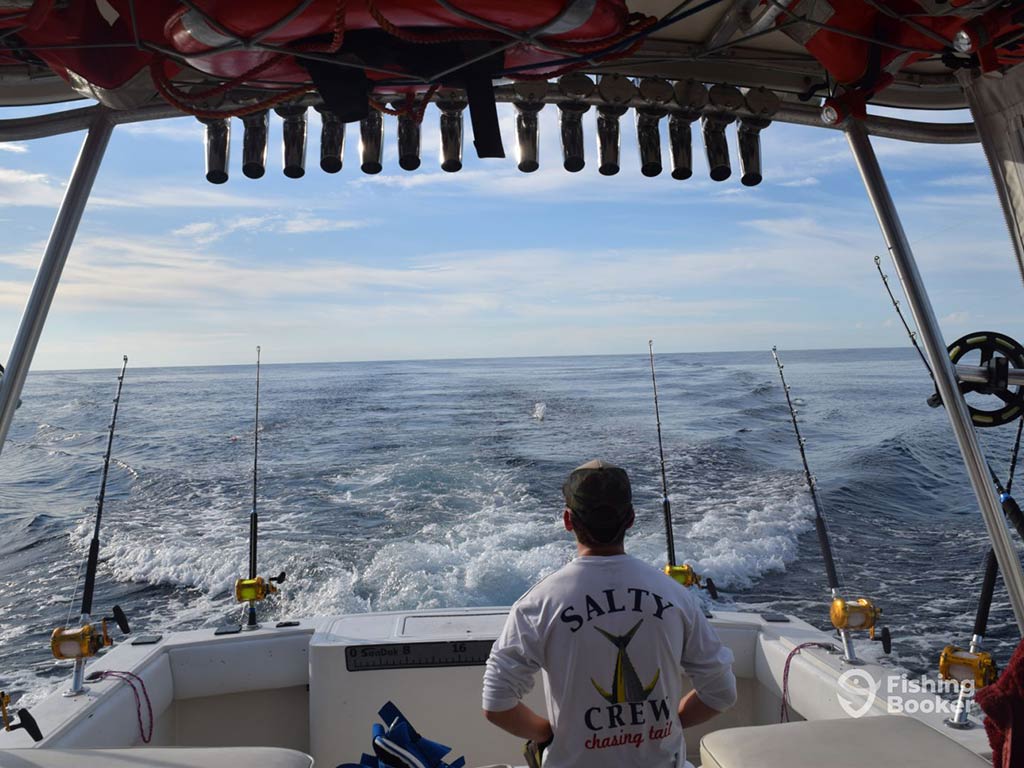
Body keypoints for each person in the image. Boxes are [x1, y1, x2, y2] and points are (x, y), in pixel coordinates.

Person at [482, 459, 736, 768]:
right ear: (630, 519)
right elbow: (721, 692)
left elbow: (496, 704)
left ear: (567, 521)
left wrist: (551, 735)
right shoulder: (676, 596)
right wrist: (667, 724)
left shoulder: (538, 604)